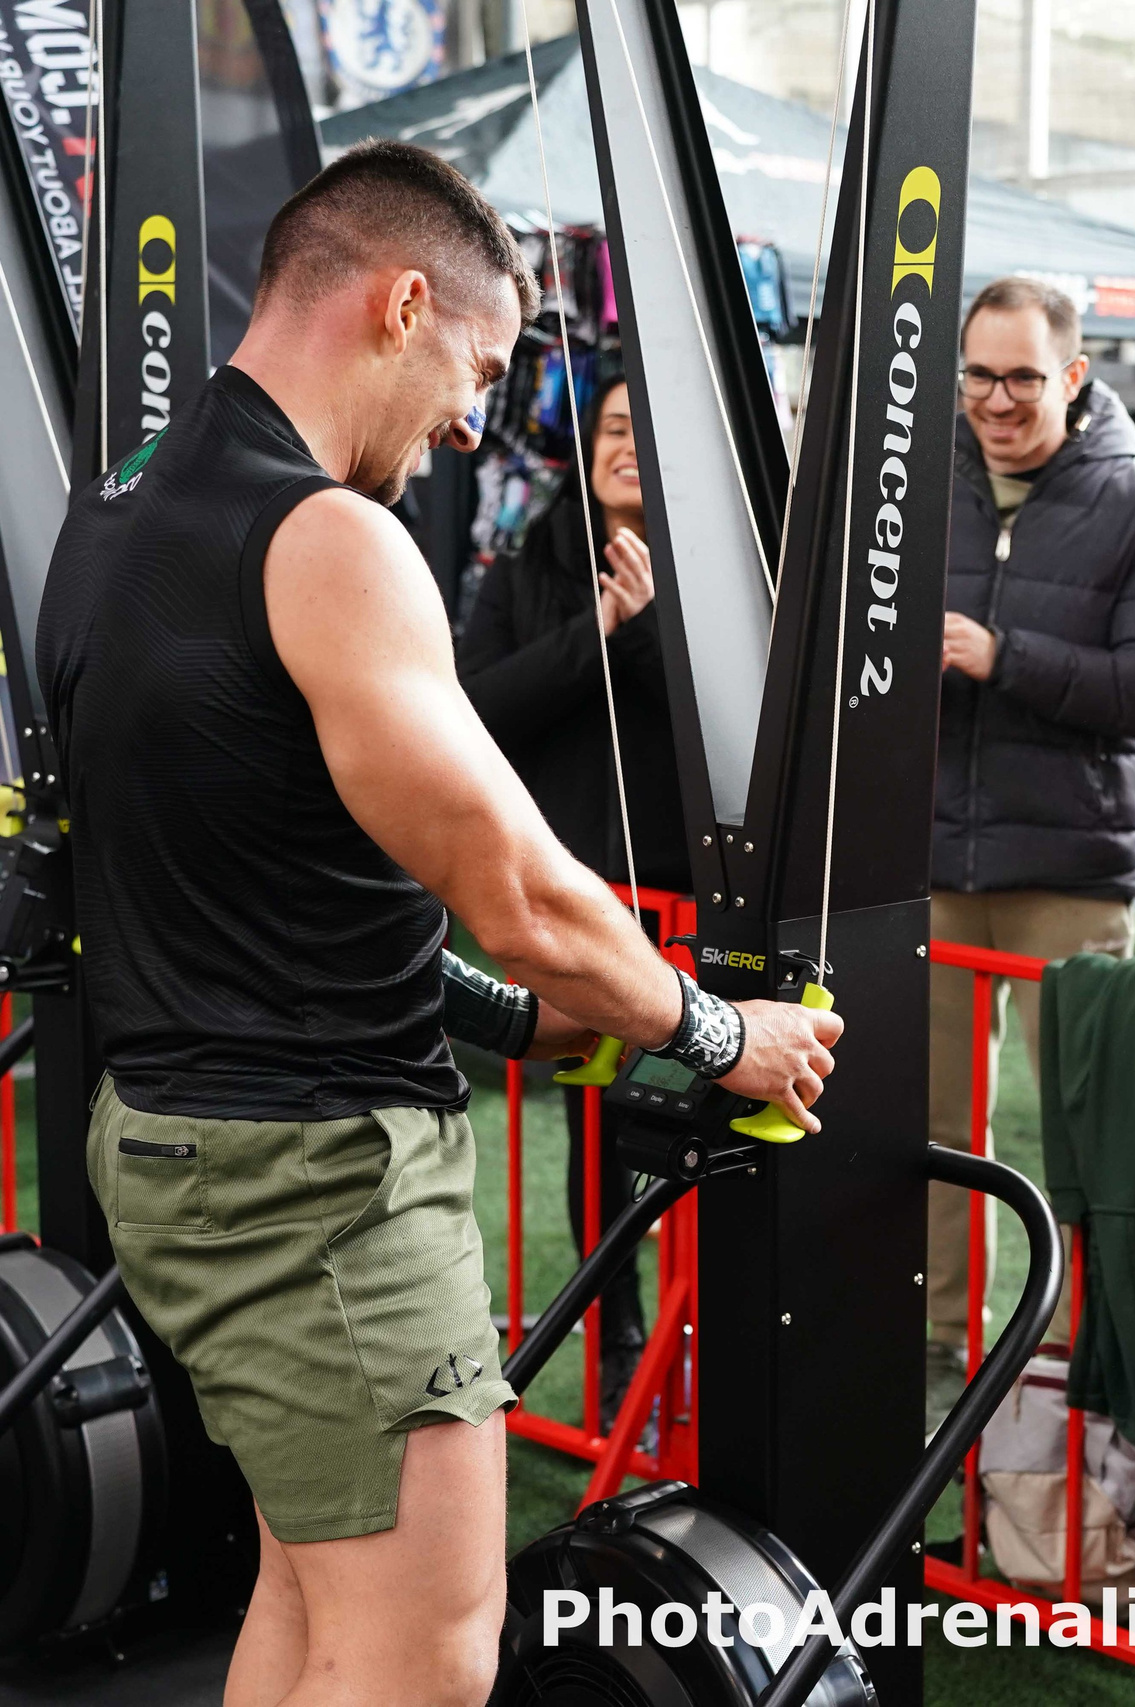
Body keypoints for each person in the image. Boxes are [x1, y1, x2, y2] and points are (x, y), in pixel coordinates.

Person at [34, 141, 841, 1707]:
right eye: (479, 364)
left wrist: (507, 1011)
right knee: (423, 1651)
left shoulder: (120, 502)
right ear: (403, 304)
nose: (478, 413)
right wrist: (729, 1037)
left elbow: (255, 856)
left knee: (313, 1588)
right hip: (313, 1178)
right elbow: (526, 885)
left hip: (182, 1141)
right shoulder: (330, 540)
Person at [928, 275, 1135, 1427]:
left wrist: (1008, 659)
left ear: (1075, 376)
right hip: (931, 859)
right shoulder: (907, 493)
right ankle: (932, 1338)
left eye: (1022, 378)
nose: (998, 401)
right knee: (930, 1129)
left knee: (1082, 1135)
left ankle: (1061, 1368)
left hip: (1070, 867)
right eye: (980, 376)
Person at [459, 368, 684, 1421]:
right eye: (612, 426)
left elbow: (721, 727)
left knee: (700, 1118)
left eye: (647, 429)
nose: (628, 444)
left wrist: (643, 633)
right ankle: (616, 1322)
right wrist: (593, 630)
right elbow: (476, 710)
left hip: (688, 900)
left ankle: (702, 1324)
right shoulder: (528, 560)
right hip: (572, 896)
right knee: (595, 1128)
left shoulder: (720, 572)